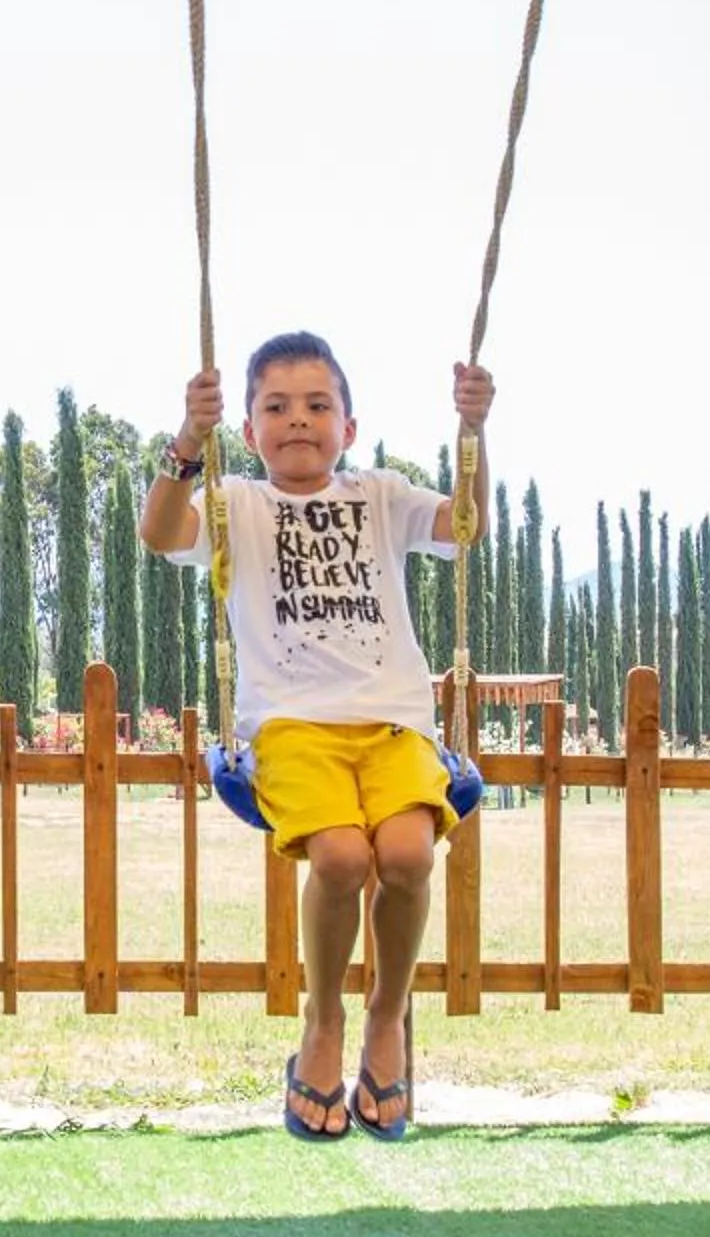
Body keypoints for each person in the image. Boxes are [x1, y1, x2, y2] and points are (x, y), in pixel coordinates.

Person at [141, 331, 494, 1141]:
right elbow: (160, 533)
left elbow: (466, 525)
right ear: (249, 429)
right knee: (339, 858)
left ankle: (386, 1016)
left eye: (316, 405)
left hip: (395, 723)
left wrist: (474, 433)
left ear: (349, 426)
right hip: (292, 726)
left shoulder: (381, 495)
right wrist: (188, 440)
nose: (297, 419)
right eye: (275, 406)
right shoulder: (236, 505)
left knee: (406, 855)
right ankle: (323, 1020)